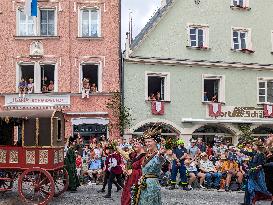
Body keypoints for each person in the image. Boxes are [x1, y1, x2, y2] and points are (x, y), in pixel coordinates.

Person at [131, 126, 165, 205]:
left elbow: (160, 160)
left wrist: (160, 153)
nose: (147, 144)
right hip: (143, 182)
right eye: (146, 142)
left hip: (152, 184)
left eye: (149, 141)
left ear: (155, 142)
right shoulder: (146, 154)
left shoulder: (158, 154)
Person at [240, 141, 272, 205]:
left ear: (257, 147)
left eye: (254, 146)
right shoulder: (255, 153)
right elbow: (249, 153)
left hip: (257, 174)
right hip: (252, 173)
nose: (253, 147)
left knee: (261, 188)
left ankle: (250, 202)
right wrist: (241, 150)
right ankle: (247, 202)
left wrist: (253, 171)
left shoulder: (261, 155)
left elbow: (261, 166)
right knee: (248, 188)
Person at [120, 139, 145, 205]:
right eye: (134, 144)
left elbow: (145, 171)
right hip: (130, 179)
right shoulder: (134, 155)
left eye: (137, 144)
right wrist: (126, 169)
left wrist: (133, 172)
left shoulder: (144, 157)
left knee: (133, 198)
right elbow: (130, 165)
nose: (135, 145)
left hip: (137, 181)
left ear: (142, 145)